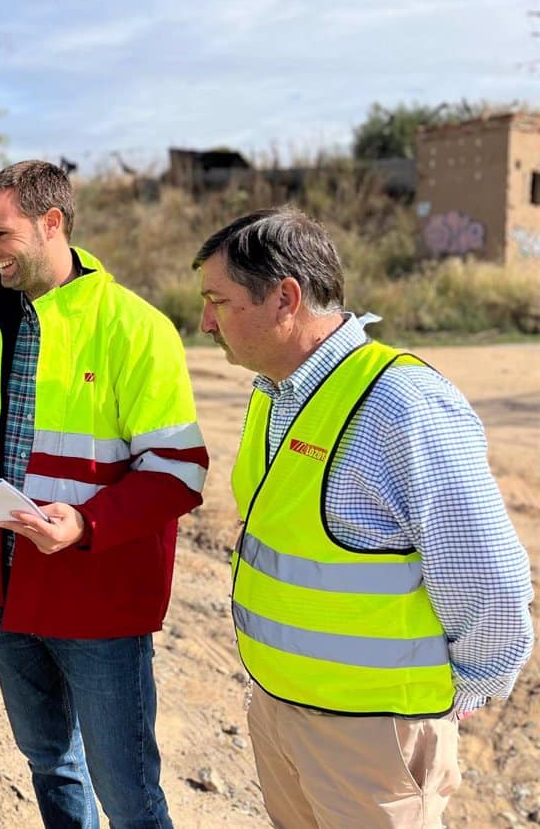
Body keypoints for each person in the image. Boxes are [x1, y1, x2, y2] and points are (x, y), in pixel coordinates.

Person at [192, 207, 534, 828]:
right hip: (281, 711)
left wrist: (449, 697)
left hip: (374, 741)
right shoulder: (275, 393)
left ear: (285, 299)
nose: (205, 321)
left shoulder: (402, 404)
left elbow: (491, 584)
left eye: (219, 300)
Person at [0, 160, 208, 828]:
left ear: (51, 223)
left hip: (99, 606)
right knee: (49, 765)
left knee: (130, 801)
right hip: (5, 593)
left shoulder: (136, 328)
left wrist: (84, 526)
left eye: (2, 235)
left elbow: (179, 470)